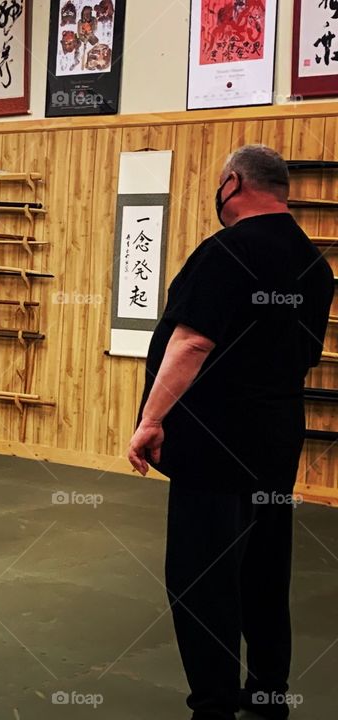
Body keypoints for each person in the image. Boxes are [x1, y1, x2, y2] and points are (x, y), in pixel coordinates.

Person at [128, 145, 334, 720]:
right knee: (265, 565)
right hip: (275, 440)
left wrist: (150, 420)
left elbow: (192, 342)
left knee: (201, 577)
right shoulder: (314, 264)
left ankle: (213, 705)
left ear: (233, 183)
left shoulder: (226, 252)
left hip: (214, 444)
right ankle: (268, 692)